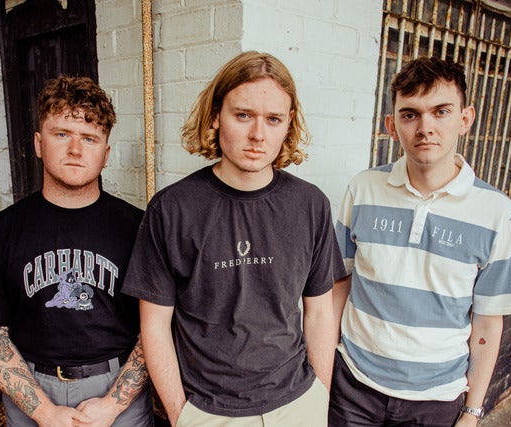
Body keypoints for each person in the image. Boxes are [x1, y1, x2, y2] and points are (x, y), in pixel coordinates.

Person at [122, 51, 347, 427]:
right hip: (209, 412)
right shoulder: (172, 208)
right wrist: (181, 415)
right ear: (215, 115)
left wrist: (319, 396)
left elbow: (320, 311)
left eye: (273, 119)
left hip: (298, 403)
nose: (258, 134)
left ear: (288, 123)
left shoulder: (310, 205)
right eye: (243, 115)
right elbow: (155, 325)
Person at [329, 56, 511, 426]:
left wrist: (472, 412)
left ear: (465, 119)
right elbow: (338, 284)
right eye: (410, 115)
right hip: (353, 386)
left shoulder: (499, 215)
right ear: (392, 125)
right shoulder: (362, 189)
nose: (425, 128)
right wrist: (324, 371)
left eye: (441, 112)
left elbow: (488, 324)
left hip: (436, 401)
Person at [0, 75, 154, 427]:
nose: (75, 149)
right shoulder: (0, 232)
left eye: (89, 138)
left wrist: (112, 405)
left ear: (106, 154)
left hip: (118, 389)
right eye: (62, 134)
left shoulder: (139, 229)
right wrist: (44, 412)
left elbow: (156, 326)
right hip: (32, 388)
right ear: (38, 143)